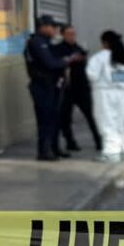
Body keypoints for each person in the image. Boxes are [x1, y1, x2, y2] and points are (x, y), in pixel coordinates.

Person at [24, 15, 81, 161]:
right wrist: (67, 60)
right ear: (43, 27)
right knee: (46, 118)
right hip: (42, 85)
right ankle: (44, 150)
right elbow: (50, 63)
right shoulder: (37, 42)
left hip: (52, 85)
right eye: (52, 26)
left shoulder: (47, 42)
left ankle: (54, 147)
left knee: (55, 117)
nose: (55, 29)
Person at [86, 31, 124, 162]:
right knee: (119, 122)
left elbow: (92, 75)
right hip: (121, 93)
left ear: (104, 43)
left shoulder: (99, 57)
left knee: (106, 121)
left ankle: (111, 152)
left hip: (104, 93)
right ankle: (122, 148)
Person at [54, 25, 102, 153]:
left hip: (82, 87)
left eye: (73, 34)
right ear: (63, 35)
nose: (72, 36)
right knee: (65, 117)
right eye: (69, 34)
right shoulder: (58, 49)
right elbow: (58, 64)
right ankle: (70, 142)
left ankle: (99, 141)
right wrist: (71, 60)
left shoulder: (79, 48)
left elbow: (84, 61)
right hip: (67, 88)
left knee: (90, 115)